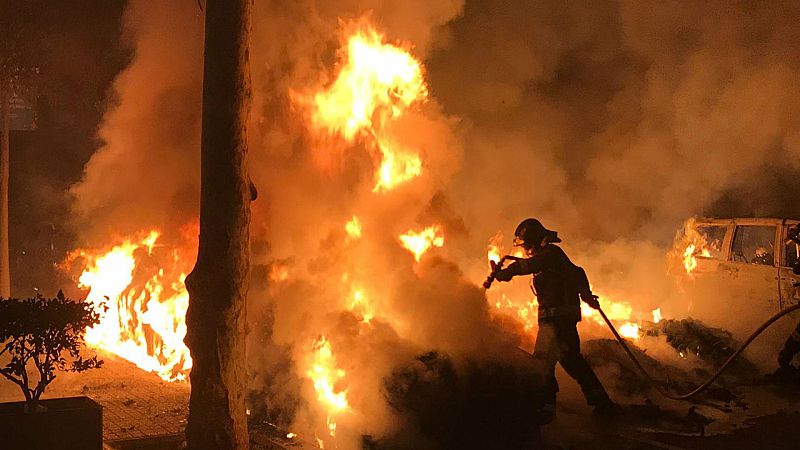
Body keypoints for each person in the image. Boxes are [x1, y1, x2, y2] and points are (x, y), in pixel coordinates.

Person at [493, 218, 616, 422]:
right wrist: (586, 295)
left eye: (526, 245)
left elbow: (529, 265)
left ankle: (546, 408)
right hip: (560, 319)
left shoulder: (550, 254)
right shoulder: (553, 257)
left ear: (534, 241)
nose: (525, 250)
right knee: (573, 362)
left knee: (542, 363)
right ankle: (603, 404)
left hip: (555, 320)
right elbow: (578, 272)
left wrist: (507, 273)